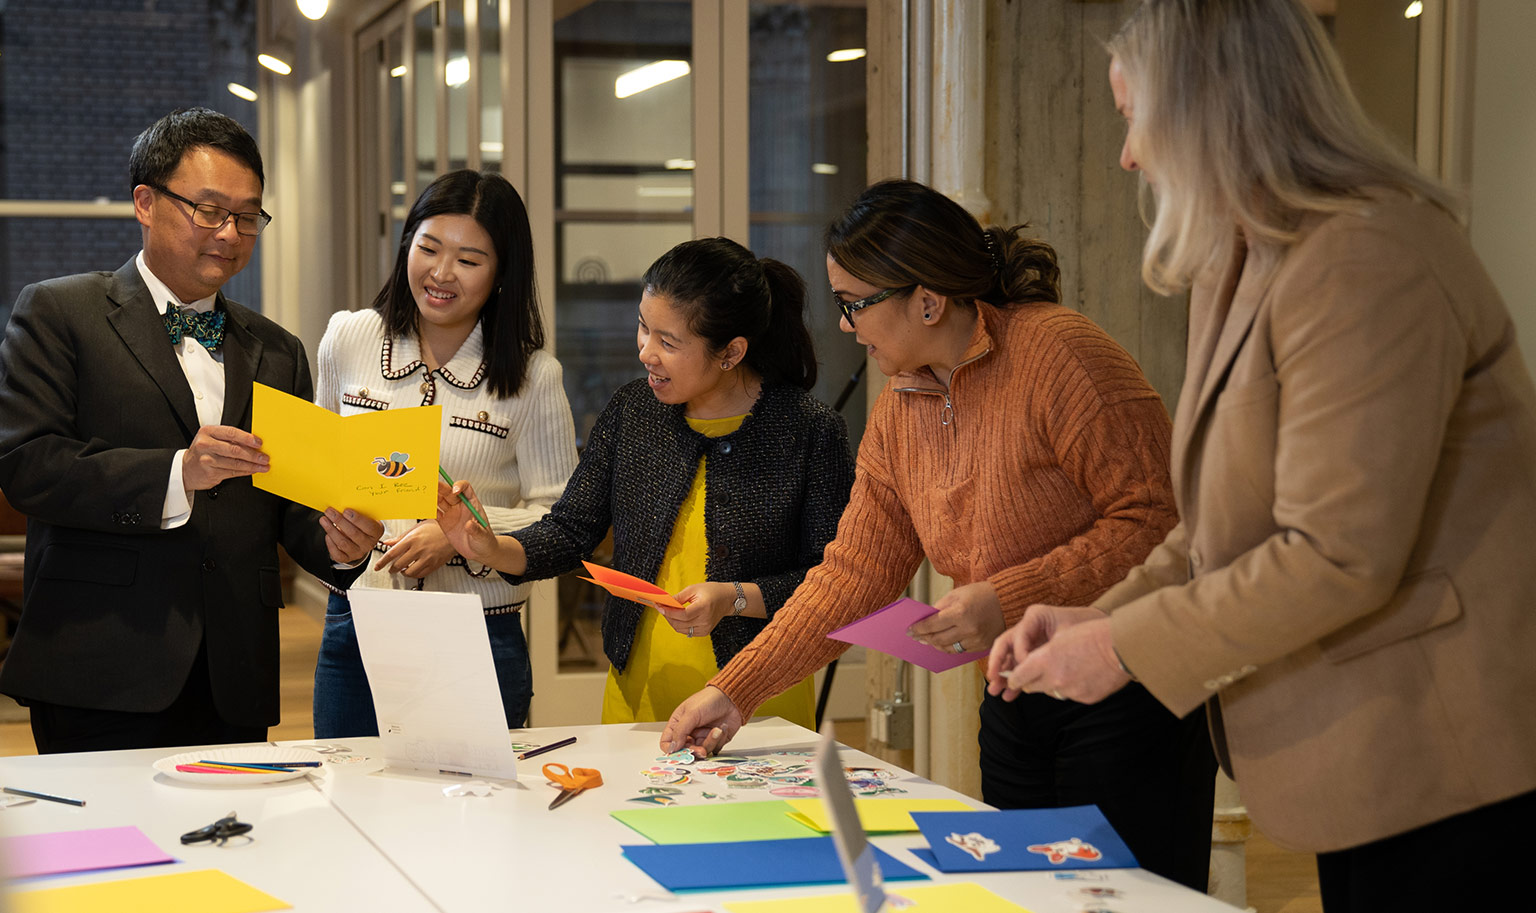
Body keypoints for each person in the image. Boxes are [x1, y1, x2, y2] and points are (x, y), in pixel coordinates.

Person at [986, 1, 1536, 910]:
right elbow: (1214, 531)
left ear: (1210, 108)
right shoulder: (1246, 260)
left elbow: (1337, 553)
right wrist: (1096, 616)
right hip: (1369, 756)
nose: (1127, 157)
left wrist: (1124, 649)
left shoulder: (1366, 254)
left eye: (1134, 120)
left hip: (1450, 759)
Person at [660, 180, 1217, 891]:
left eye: (853, 304)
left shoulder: (1061, 355)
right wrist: (736, 690)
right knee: (1026, 898)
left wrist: (1008, 595)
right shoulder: (900, 406)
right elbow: (853, 573)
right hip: (1015, 688)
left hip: (1130, 682)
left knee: (1131, 902)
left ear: (926, 300)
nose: (843, 325)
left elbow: (1161, 521)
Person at [0, 107, 383, 753]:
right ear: (145, 202)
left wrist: (345, 545)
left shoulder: (277, 348)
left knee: (235, 849)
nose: (230, 233)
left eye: (247, 216)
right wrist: (179, 472)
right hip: (100, 661)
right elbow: (27, 464)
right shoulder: (59, 311)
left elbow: (292, 507)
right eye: (209, 210)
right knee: (108, 853)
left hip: (236, 671)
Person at [437, 237, 854, 728]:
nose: (645, 353)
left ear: (731, 351)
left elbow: (832, 583)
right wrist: (488, 547)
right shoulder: (634, 411)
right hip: (639, 693)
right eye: (642, 327)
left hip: (758, 699)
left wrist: (733, 598)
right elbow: (571, 532)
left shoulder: (808, 430)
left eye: (668, 342)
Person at [310, 170, 577, 736]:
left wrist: (461, 534)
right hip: (359, 623)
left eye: (469, 259)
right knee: (346, 802)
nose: (440, 273)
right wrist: (334, 527)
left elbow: (560, 518)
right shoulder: (348, 339)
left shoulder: (533, 377)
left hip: (478, 632)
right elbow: (322, 471)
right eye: (428, 248)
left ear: (502, 272)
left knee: (470, 816)